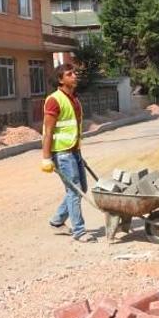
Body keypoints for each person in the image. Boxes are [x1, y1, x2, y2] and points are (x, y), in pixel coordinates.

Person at [40, 63, 96, 243]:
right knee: (74, 190)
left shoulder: (74, 99)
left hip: (74, 150)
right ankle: (79, 231)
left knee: (82, 188)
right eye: (70, 74)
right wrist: (46, 158)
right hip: (62, 153)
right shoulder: (54, 99)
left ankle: (57, 220)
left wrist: (78, 150)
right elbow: (48, 131)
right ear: (60, 79)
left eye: (74, 73)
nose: (74, 76)